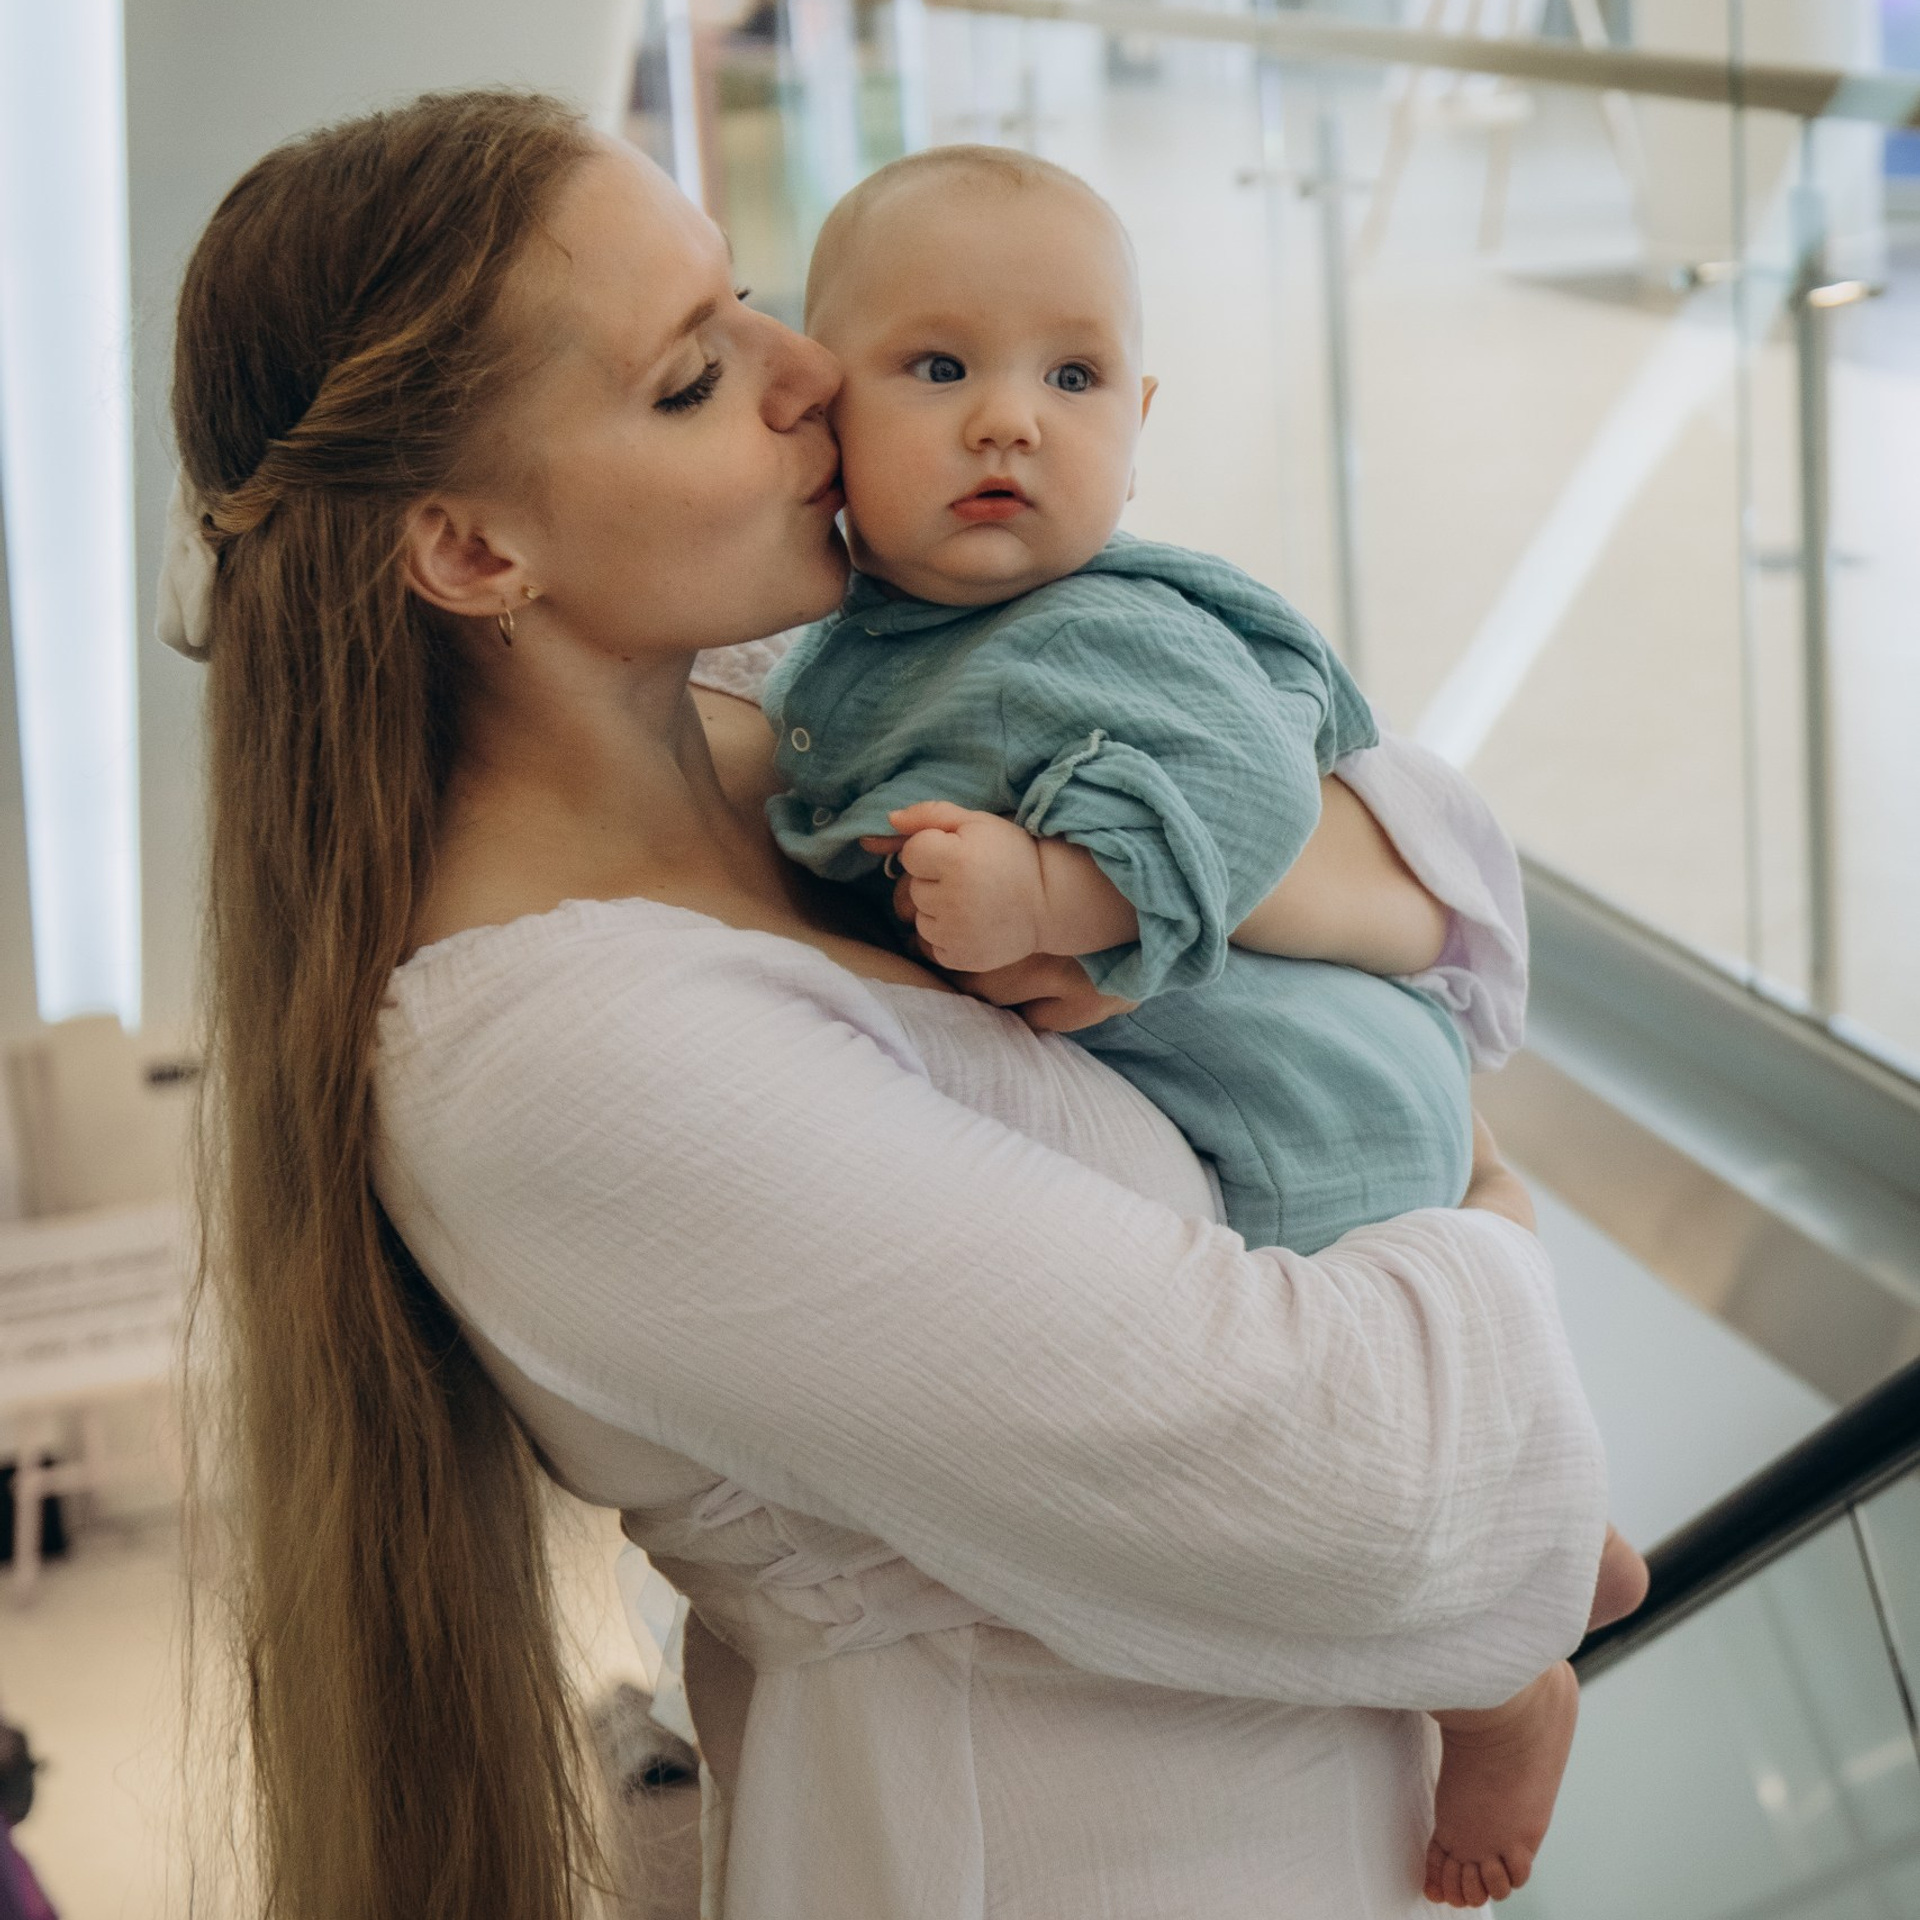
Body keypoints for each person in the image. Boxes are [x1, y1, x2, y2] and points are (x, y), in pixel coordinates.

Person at [164, 90, 1609, 1920]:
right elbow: (1366, 1491)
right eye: (691, 378)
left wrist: (1287, 881)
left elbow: (1448, 864)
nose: (809, 376)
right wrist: (1493, 1207)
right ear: (469, 554)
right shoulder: (568, 1065)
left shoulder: (781, 704)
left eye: (749, 297)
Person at [763, 146, 1649, 1905]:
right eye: (940, 369)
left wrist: (1064, 900)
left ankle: (1501, 1679)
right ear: (820, 400)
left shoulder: (1094, 625)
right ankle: (1579, 1539)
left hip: (1309, 1090)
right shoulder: (870, 646)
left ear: (1141, 414)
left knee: (1340, 1449)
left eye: (1071, 377)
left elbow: (1250, 784)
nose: (1009, 422)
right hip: (1274, 1068)